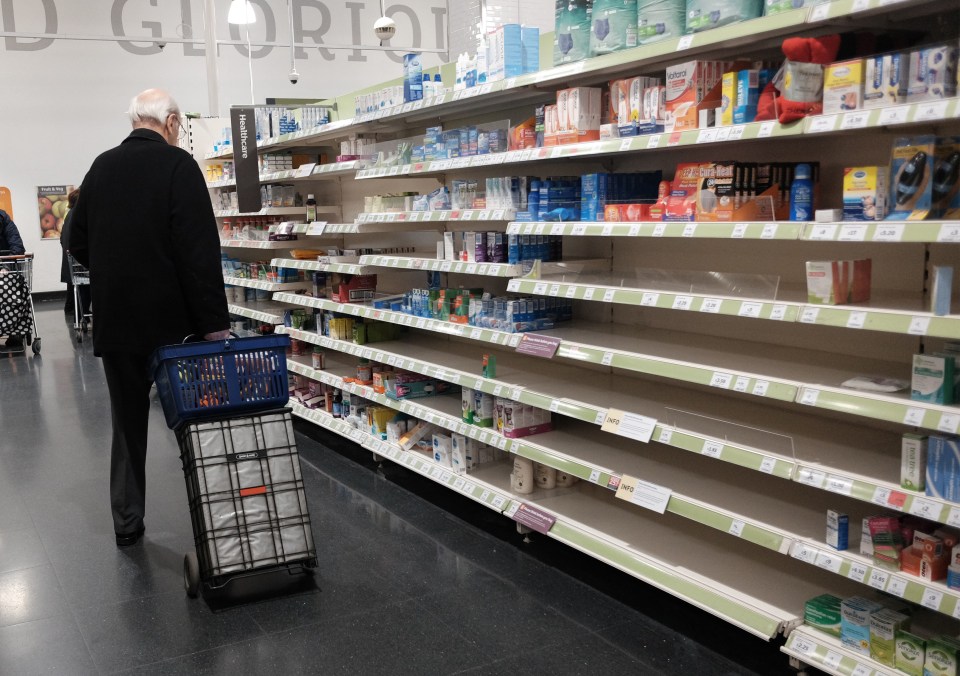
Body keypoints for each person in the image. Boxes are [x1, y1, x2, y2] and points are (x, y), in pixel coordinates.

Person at [69, 89, 230, 548]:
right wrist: (213, 323)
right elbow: (199, 254)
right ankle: (214, 514)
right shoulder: (180, 168)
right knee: (195, 422)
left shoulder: (101, 167)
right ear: (173, 123)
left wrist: (109, 266)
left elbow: (73, 238)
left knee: (127, 424)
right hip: (173, 326)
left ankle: (127, 523)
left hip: (117, 324)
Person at [60, 188, 91, 318]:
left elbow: (62, 238)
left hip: (69, 256)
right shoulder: (79, 215)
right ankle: (82, 312)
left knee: (72, 283)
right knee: (84, 286)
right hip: (77, 257)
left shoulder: (69, 214)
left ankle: (71, 309)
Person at [0, 209, 26, 349]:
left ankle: (15, 332)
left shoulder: (4, 219)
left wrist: (6, 266)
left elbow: (17, 246)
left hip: (6, 271)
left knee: (11, 293)